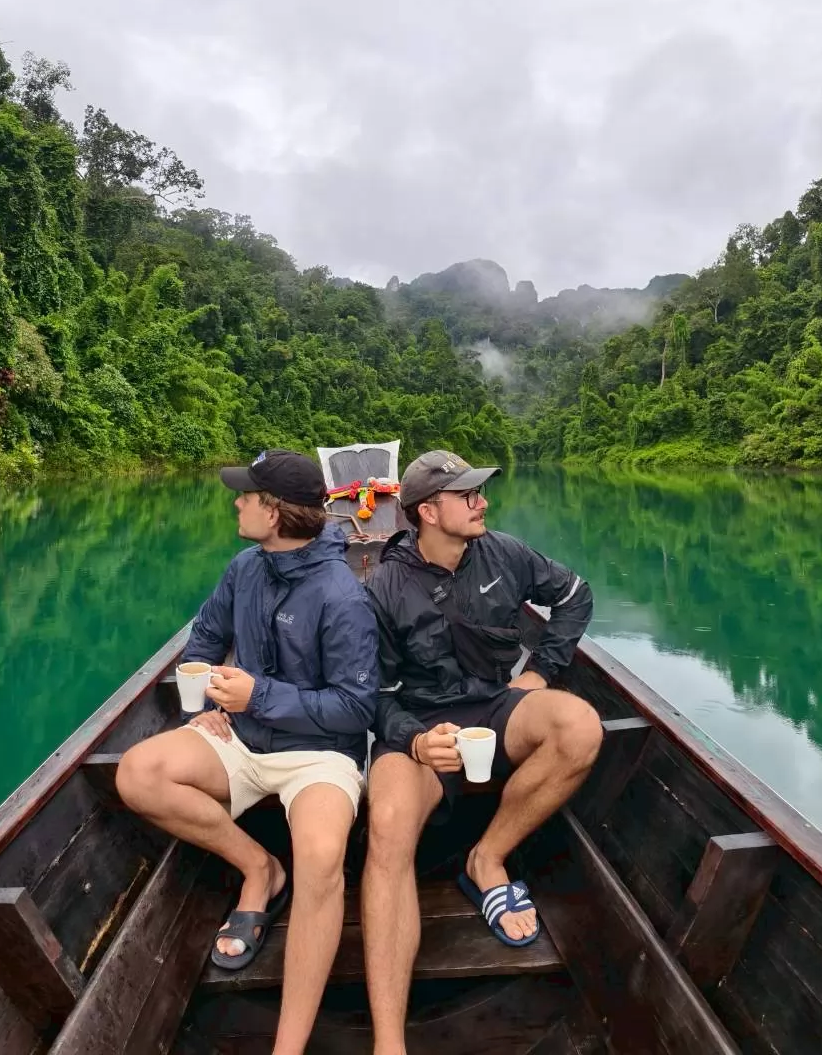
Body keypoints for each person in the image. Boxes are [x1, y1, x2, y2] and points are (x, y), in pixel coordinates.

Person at [116, 450, 378, 1055]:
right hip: (240, 736)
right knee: (138, 773)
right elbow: (203, 642)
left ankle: (288, 1046)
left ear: (276, 512)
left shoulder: (342, 597)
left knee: (320, 857)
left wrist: (259, 693)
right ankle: (260, 868)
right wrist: (198, 706)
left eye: (247, 495)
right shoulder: (244, 568)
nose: (236, 502)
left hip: (319, 754)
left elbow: (356, 710)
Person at [360, 450, 602, 1055]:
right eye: (468, 495)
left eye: (479, 492)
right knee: (387, 825)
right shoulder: (383, 587)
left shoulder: (507, 553)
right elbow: (373, 696)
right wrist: (416, 739)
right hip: (417, 729)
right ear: (427, 512)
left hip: (496, 707)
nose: (482, 502)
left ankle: (486, 859)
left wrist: (542, 671)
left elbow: (574, 595)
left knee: (580, 728)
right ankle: (389, 1043)